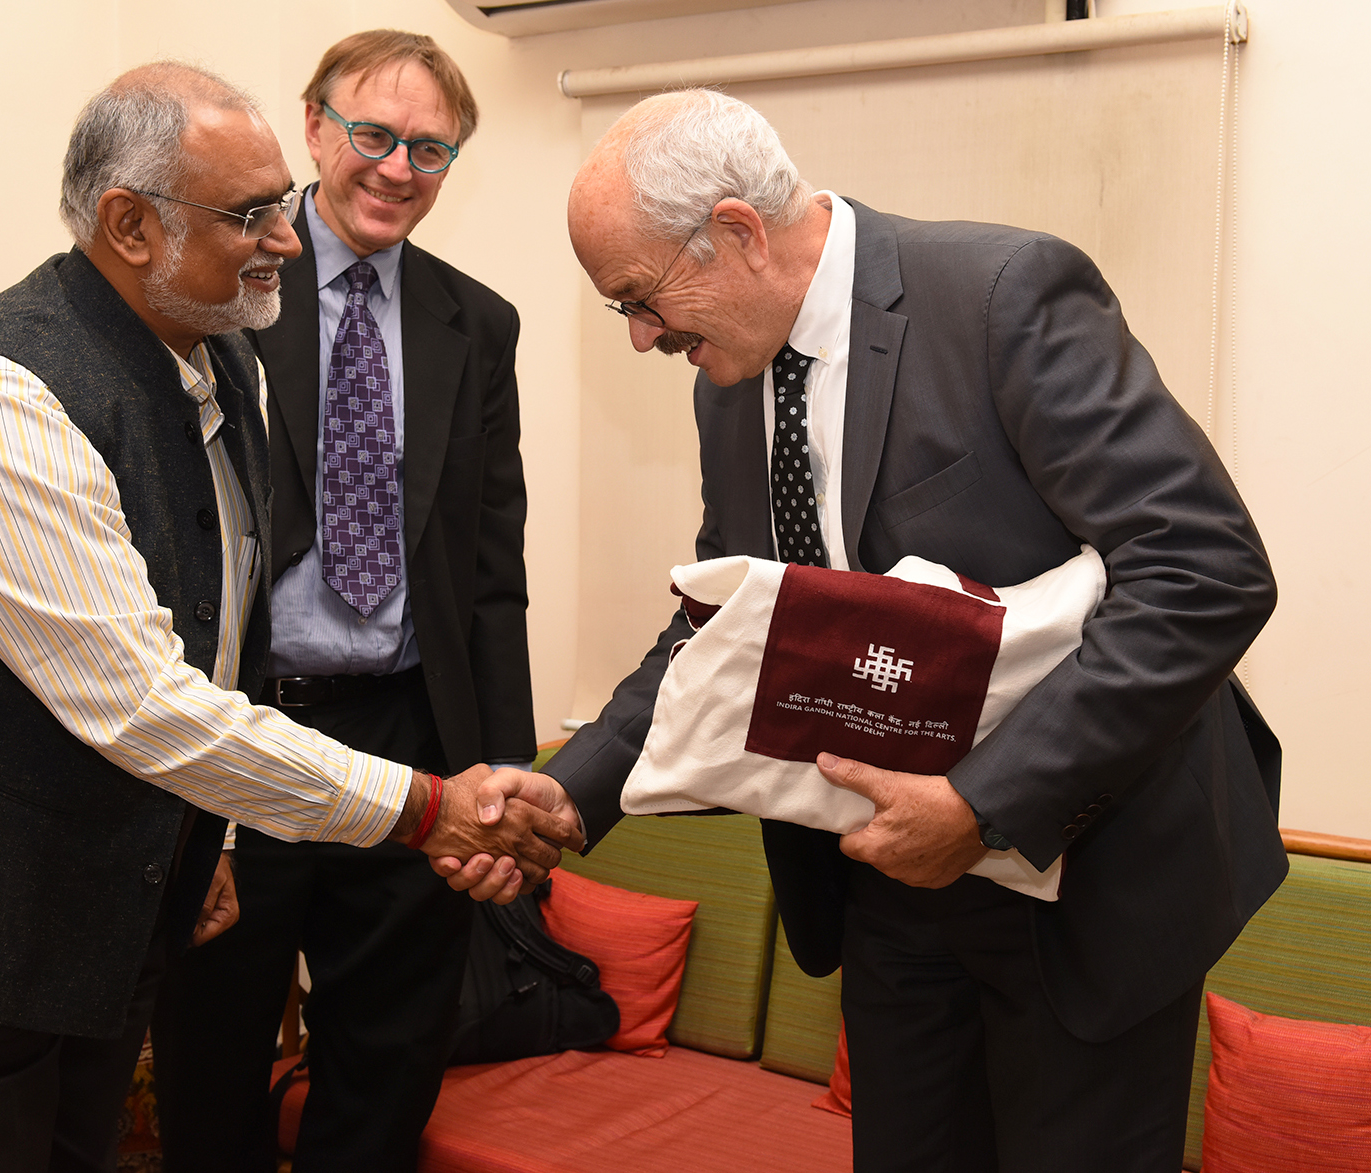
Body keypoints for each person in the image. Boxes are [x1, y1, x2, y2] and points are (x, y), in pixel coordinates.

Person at [0, 62, 578, 1173]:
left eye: (279, 206)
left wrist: (215, 837)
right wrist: (425, 808)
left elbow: (221, 628)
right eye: (250, 215)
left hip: (99, 919)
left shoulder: (218, 367)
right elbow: (142, 700)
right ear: (130, 226)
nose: (286, 238)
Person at [515, 89, 1286, 1172]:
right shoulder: (728, 381)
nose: (644, 336)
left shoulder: (1003, 295)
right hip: (886, 889)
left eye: (640, 299)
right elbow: (728, 621)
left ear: (737, 232)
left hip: (1085, 876)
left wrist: (980, 806)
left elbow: (1203, 569)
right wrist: (575, 786)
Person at [148, 31, 582, 1173]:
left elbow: (490, 569)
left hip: (411, 742)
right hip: (245, 736)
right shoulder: (220, 285)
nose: (398, 169)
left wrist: (499, 777)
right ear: (313, 127)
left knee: (387, 1069)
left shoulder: (476, 324)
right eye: (374, 135)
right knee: (210, 1058)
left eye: (430, 149)